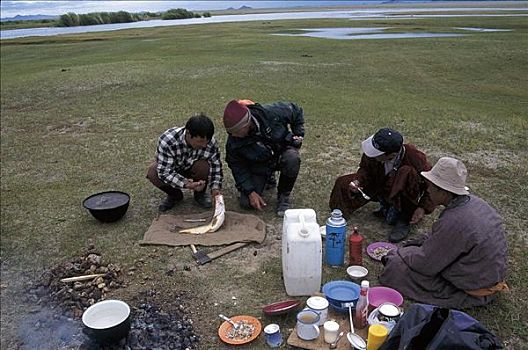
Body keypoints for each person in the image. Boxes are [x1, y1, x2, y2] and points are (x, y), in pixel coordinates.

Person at [379, 157, 509, 309]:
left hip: (472, 288)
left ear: (444, 191)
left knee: (395, 267)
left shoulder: (455, 221)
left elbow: (425, 264)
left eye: (431, 186)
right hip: (485, 276)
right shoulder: (475, 203)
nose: (427, 189)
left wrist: (400, 252)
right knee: (412, 251)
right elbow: (442, 239)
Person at [329, 128, 434, 242]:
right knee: (343, 182)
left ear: (392, 155)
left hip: (402, 190)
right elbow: (365, 169)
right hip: (379, 185)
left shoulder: (414, 157)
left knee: (407, 173)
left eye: (376, 154)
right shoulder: (373, 155)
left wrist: (422, 207)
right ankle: (338, 216)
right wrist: (358, 181)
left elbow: (431, 184)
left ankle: (404, 219)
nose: (371, 155)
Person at [223, 99, 304, 216]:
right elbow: (237, 167)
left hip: (280, 152)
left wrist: (298, 135)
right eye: (230, 132)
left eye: (236, 131)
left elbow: (295, 110)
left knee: (292, 158)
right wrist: (250, 191)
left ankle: (283, 196)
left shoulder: (269, 113)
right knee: (246, 203)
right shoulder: (233, 142)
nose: (233, 135)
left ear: (246, 124)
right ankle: (268, 178)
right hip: (259, 163)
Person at [146, 114, 222, 212]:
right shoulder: (167, 141)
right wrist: (186, 184)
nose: (204, 145)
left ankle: (200, 194)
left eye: (207, 141)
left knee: (204, 166)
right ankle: (175, 195)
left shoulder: (210, 142)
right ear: (189, 134)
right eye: (200, 141)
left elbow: (216, 167)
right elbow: (165, 172)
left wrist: (215, 188)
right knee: (153, 172)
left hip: (193, 167)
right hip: (172, 169)